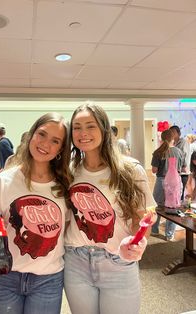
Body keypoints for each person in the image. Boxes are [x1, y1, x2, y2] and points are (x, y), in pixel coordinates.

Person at [0, 113, 72, 314]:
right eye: (42, 134)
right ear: (31, 135)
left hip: (48, 279)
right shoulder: (4, 181)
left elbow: (68, 229)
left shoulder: (66, 185)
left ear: (61, 148)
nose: (45, 144)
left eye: (55, 141)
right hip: (5, 277)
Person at [64, 103, 156, 314]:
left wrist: (137, 243)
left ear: (104, 129)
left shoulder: (130, 169)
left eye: (90, 126)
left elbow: (143, 218)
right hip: (75, 262)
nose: (83, 133)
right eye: (77, 127)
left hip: (117, 261)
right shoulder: (69, 171)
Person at [151, 129, 183, 241]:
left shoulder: (158, 152)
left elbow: (154, 170)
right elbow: (183, 168)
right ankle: (169, 234)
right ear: (173, 139)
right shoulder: (179, 152)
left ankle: (154, 230)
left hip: (161, 181)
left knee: (157, 206)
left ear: (161, 138)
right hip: (175, 183)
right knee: (172, 207)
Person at [169, 125, 191, 200]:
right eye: (170, 132)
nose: (172, 134)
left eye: (173, 132)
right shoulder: (173, 143)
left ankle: (180, 210)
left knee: (180, 193)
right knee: (175, 192)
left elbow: (184, 155)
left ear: (179, 133)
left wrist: (183, 166)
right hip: (176, 171)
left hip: (182, 172)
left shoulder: (183, 142)